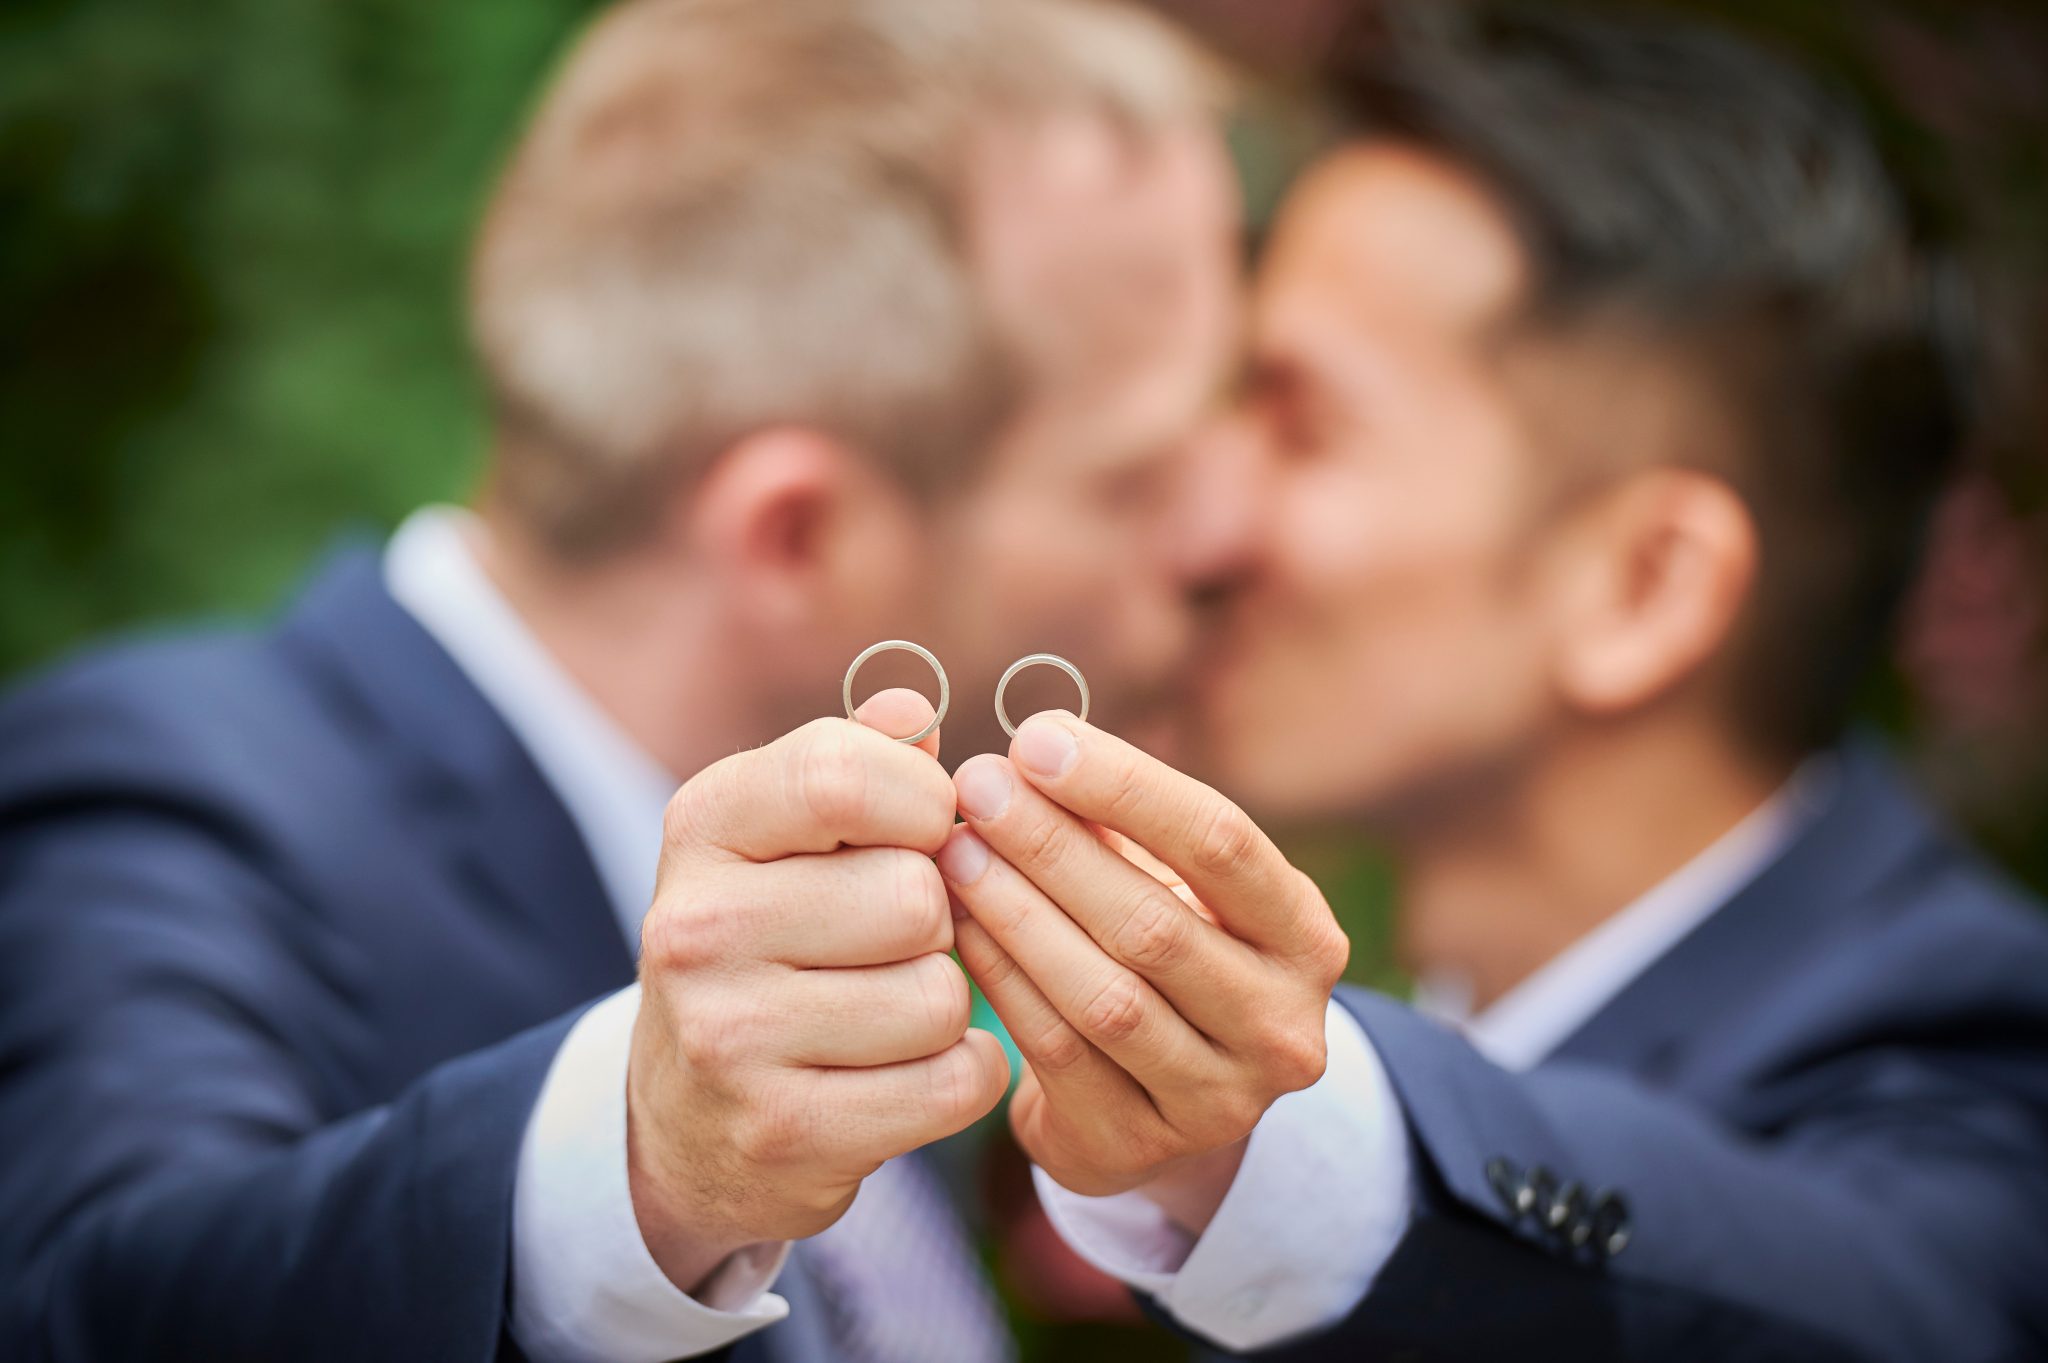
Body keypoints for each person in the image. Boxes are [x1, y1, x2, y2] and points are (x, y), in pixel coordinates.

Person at [0, 0, 1316, 1358]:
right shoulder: (155, 811)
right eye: (1139, 473)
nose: (1238, 524)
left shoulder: (891, 865)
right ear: (796, 537)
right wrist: (640, 1169)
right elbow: (88, 1304)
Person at [944, 4, 2048, 1359]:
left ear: (1641, 587)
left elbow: (1883, 1305)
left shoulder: (1974, 1060)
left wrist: (1281, 1132)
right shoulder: (1435, 1013)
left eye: (1299, 422)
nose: (1194, 526)